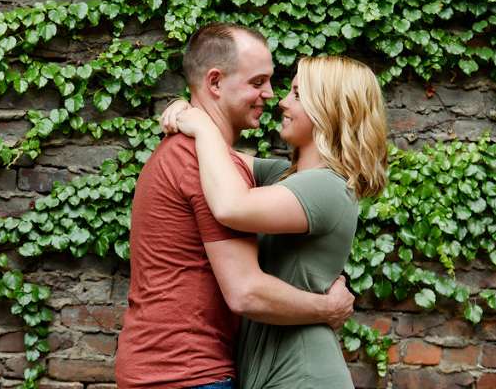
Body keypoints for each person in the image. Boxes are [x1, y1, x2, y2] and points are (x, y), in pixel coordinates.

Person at [114, 23, 357, 389]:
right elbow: (245, 290)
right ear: (214, 83)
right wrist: (327, 308)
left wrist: (190, 113)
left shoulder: (213, 163)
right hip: (186, 374)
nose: (272, 96)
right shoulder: (201, 165)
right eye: (258, 82)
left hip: (174, 369)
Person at [162, 55, 389, 388]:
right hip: (270, 372)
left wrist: (201, 123)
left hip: (303, 374)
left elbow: (230, 204)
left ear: (329, 108)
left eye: (297, 94)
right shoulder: (285, 177)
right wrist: (189, 106)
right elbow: (210, 157)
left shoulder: (328, 186)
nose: (282, 101)